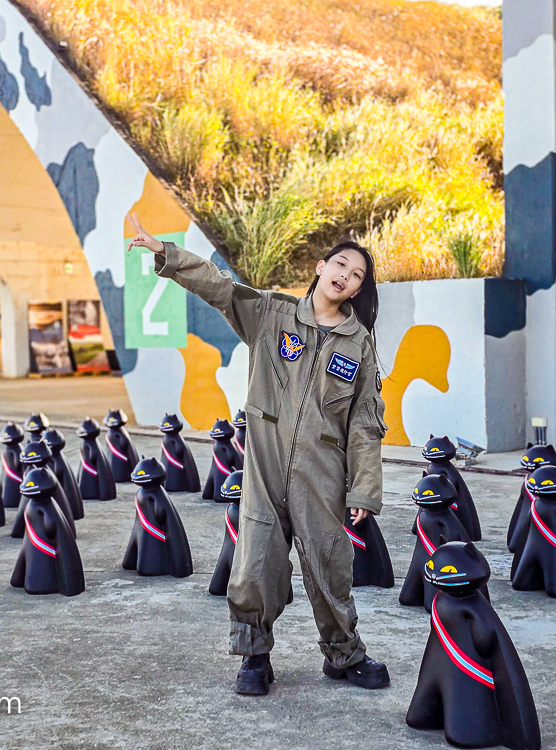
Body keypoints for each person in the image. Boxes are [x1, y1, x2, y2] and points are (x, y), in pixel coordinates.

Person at [127, 213, 389, 695]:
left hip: (323, 475)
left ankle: (344, 655)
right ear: (320, 265)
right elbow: (219, 287)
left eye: (357, 276)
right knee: (254, 565)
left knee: (331, 566)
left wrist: (364, 489)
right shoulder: (272, 314)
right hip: (265, 470)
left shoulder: (360, 344)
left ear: (356, 291)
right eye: (342, 265)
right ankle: (253, 656)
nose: (346, 276)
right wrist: (166, 252)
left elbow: (365, 423)